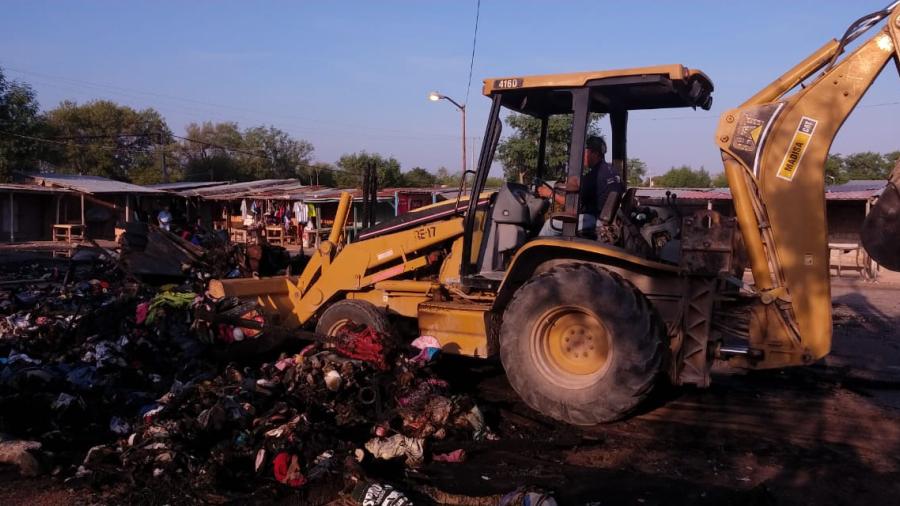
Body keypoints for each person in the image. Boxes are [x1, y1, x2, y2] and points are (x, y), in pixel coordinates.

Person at [538, 135, 624, 236]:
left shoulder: (594, 176)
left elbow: (572, 204)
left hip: (595, 220)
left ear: (595, 153)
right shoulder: (611, 171)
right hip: (606, 219)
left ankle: (535, 252)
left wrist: (549, 194)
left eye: (586, 152)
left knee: (550, 225)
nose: (583, 156)